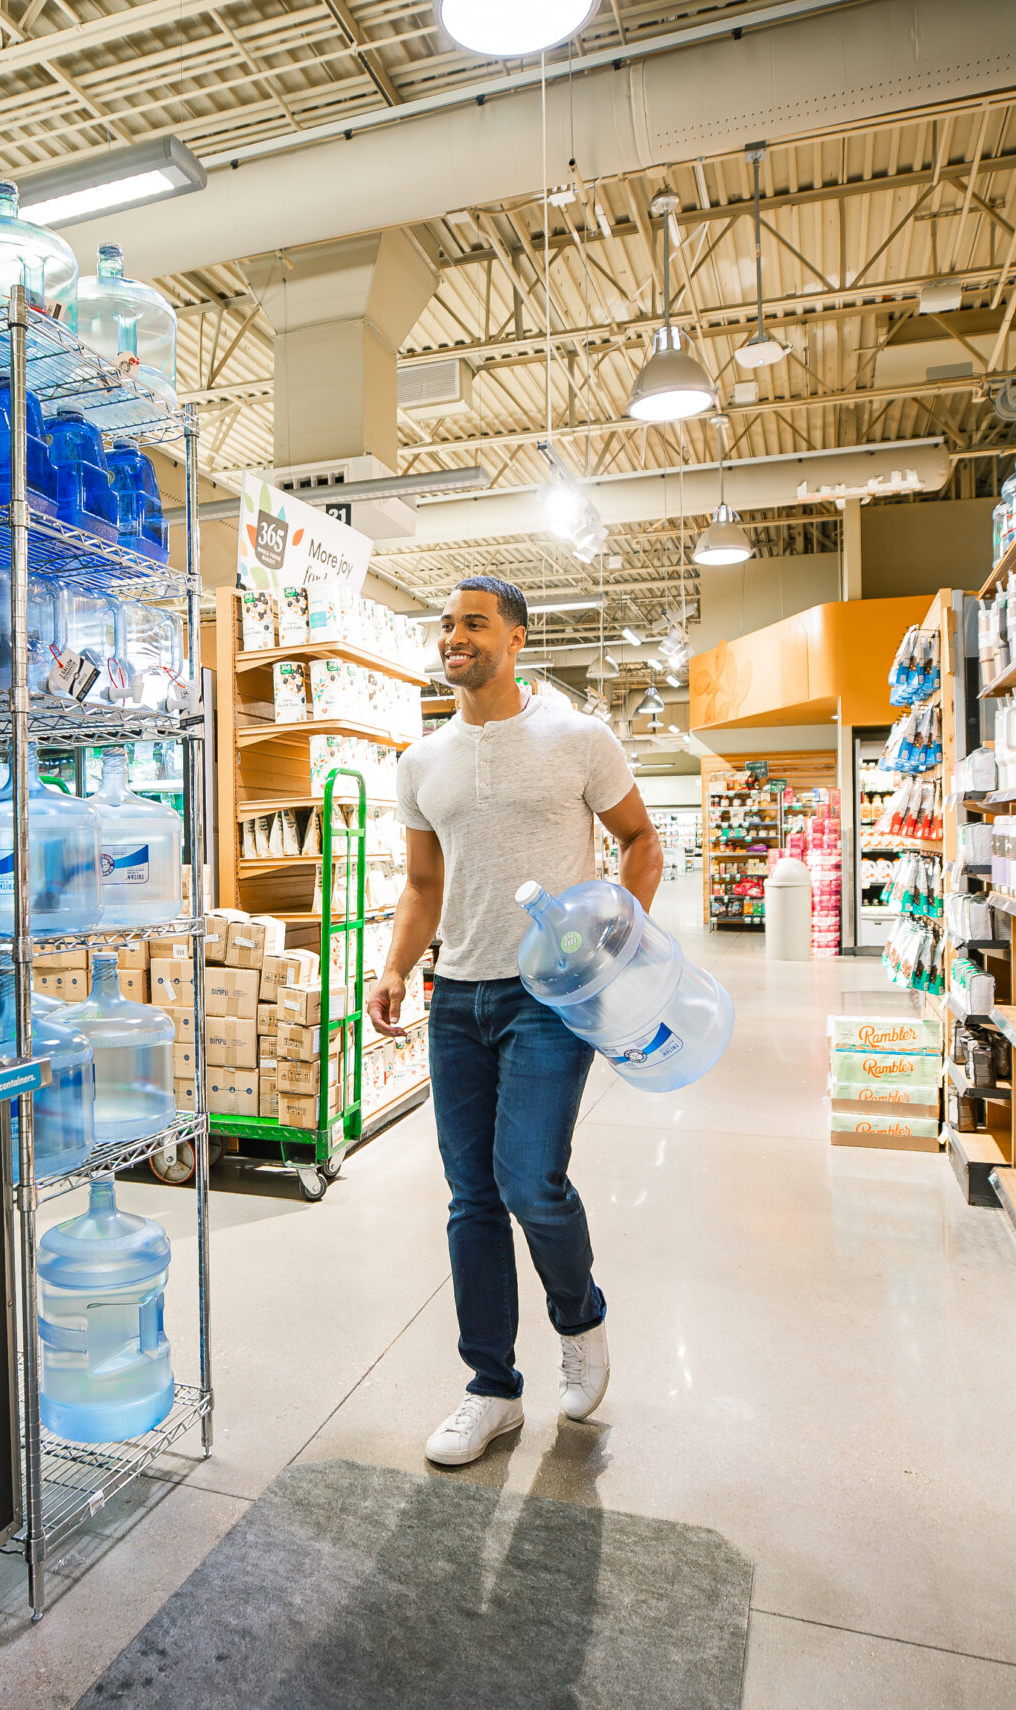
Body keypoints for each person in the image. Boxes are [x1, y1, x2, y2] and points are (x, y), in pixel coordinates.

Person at [368, 575, 662, 1467]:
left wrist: (614, 939)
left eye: (474, 624)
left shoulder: (579, 738)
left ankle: (581, 1319)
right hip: (457, 997)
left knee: (530, 1180)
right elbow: (424, 887)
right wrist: (394, 965)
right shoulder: (423, 762)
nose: (455, 637)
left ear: (518, 638)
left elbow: (642, 841)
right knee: (471, 1199)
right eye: (447, 625)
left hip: (547, 997)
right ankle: (491, 1388)